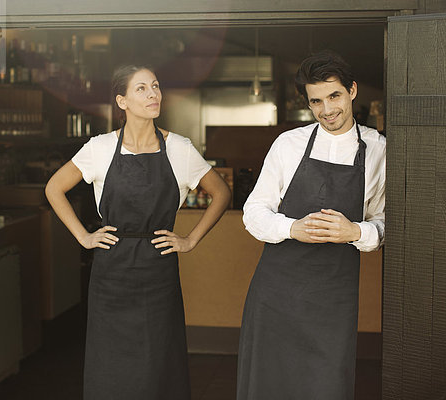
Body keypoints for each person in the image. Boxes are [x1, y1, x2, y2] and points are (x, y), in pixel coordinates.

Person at [45, 65, 231, 400]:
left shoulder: (179, 148)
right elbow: (54, 188)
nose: (153, 94)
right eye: (142, 89)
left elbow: (221, 193)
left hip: (158, 270)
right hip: (111, 273)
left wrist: (190, 240)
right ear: (122, 101)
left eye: (156, 86)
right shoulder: (99, 148)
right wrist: (84, 237)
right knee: (110, 365)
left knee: (159, 363)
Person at [237, 50, 385, 400]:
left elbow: (386, 219)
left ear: (351, 90)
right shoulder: (289, 144)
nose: (327, 110)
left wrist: (357, 232)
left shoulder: (379, 149)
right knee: (270, 386)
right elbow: (253, 211)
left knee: (327, 384)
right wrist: (292, 228)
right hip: (277, 293)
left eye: (334, 96)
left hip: (334, 297)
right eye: (316, 101)